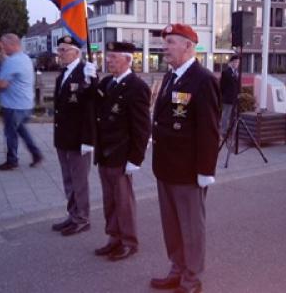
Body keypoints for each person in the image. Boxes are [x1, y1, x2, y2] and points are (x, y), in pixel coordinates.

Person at [151, 23, 220, 293]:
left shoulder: (203, 80)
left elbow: (209, 130)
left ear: (188, 46)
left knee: (191, 227)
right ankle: (177, 269)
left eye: (171, 42)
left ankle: (192, 279)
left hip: (189, 170)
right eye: (165, 42)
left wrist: (205, 170)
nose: (164, 47)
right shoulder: (170, 77)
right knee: (172, 225)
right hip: (165, 167)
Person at [93, 41, 151, 261]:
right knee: (110, 200)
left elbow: (142, 126)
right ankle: (113, 237)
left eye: (114, 57)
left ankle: (128, 241)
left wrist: (135, 158)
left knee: (123, 201)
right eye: (108, 57)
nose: (109, 61)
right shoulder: (107, 83)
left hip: (121, 153)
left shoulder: (137, 87)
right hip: (104, 152)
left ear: (128, 60)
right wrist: (89, 81)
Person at [51, 35, 97, 236]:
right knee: (68, 179)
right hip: (64, 137)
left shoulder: (85, 73)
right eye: (59, 50)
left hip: (79, 139)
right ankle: (72, 214)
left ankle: (82, 218)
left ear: (76, 52)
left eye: (64, 50)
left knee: (79, 181)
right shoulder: (64, 75)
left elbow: (92, 106)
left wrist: (92, 81)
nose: (60, 54)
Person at [0, 33, 43, 170]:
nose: (2, 48)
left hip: (13, 104)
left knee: (10, 133)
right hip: (26, 103)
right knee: (21, 130)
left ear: (12, 44)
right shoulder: (25, 58)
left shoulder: (12, 61)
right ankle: (36, 153)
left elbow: (3, 84)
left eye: (4, 45)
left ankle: (12, 160)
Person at [219, 54, 240, 138]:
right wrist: (224, 96)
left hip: (235, 99)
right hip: (228, 99)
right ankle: (222, 133)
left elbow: (237, 85)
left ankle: (232, 132)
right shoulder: (226, 72)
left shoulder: (237, 73)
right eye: (236, 62)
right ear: (231, 62)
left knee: (234, 117)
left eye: (238, 62)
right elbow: (222, 86)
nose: (237, 64)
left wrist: (238, 94)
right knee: (225, 116)